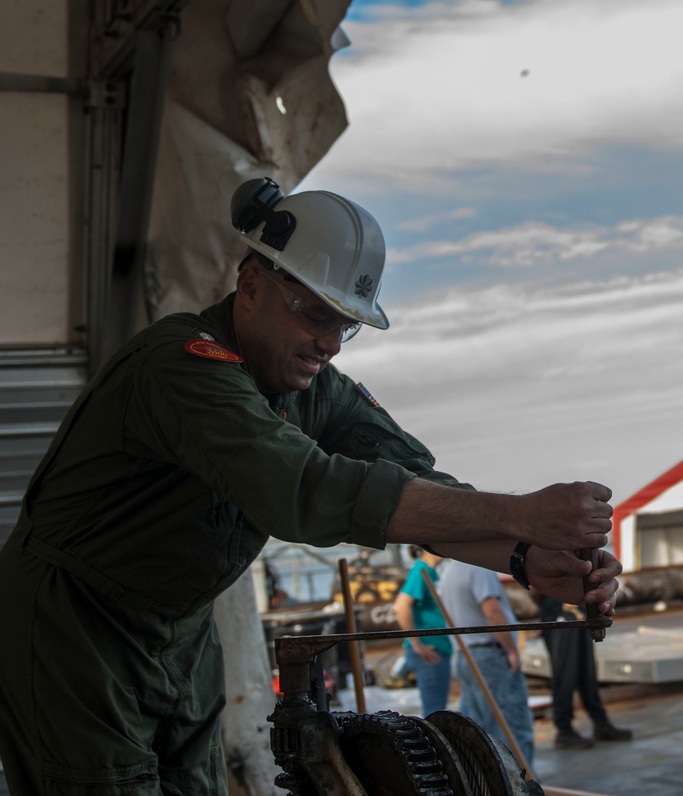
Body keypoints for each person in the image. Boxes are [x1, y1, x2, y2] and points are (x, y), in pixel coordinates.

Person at [0, 178, 622, 796]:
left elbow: (417, 485)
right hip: (76, 629)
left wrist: (527, 560)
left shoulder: (314, 389)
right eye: (317, 315)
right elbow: (304, 488)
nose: (329, 343)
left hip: (179, 631)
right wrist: (522, 515)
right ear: (250, 286)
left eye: (346, 324)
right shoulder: (181, 365)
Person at [438, 561, 536, 766]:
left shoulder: (449, 571)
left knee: (480, 731)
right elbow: (492, 612)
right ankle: (521, 785)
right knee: (511, 728)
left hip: (467, 656)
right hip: (490, 657)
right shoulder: (477, 568)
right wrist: (511, 650)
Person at [538, 595, 632, 749]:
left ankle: (600, 722)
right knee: (565, 673)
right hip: (559, 610)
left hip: (580, 608)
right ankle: (564, 730)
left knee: (587, 671)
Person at [393, 545, 453, 716]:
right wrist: (417, 644)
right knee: (435, 712)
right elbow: (401, 606)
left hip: (436, 648)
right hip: (429, 652)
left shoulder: (432, 573)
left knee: (437, 708)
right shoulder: (421, 571)